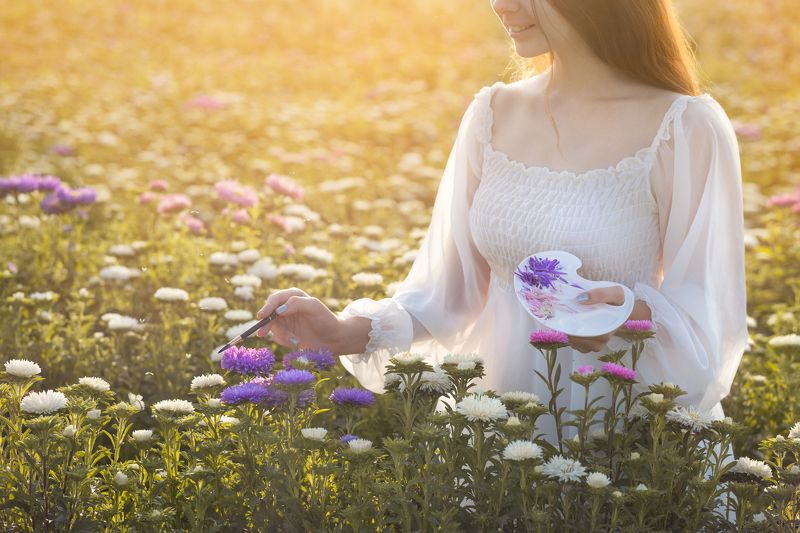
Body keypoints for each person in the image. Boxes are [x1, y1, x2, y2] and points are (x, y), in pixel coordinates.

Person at [254, 0, 748, 451]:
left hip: (626, 437)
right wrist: (341, 332)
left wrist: (629, 313)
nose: (501, 5)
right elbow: (447, 296)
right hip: (498, 434)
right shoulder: (492, 113)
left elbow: (709, 322)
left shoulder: (684, 126)